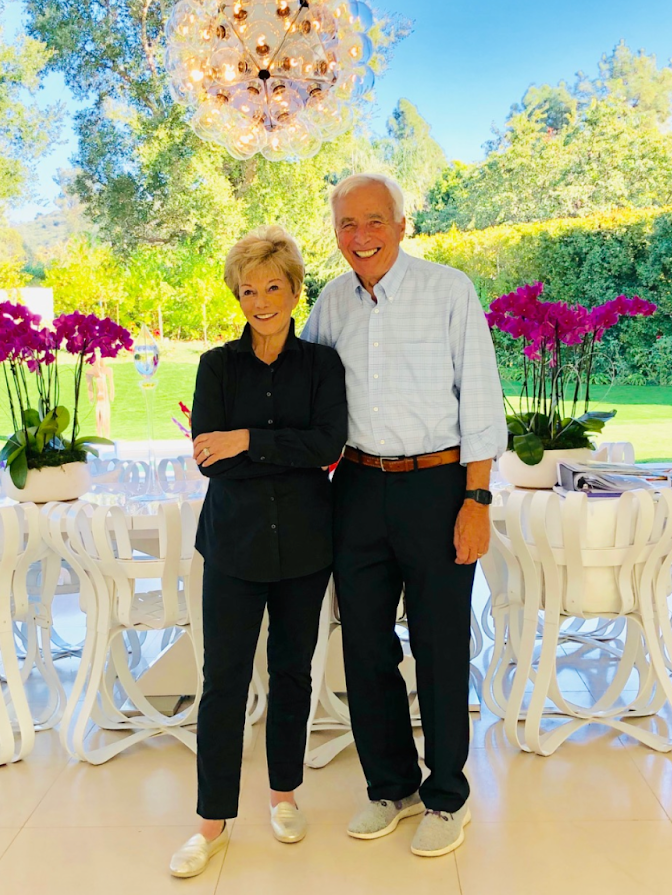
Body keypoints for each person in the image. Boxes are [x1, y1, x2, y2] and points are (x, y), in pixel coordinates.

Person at [302, 173, 507, 858]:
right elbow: (306, 389)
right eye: (346, 225)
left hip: (438, 486)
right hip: (357, 488)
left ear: (400, 223)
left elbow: (480, 403)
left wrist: (476, 500)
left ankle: (447, 795)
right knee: (364, 644)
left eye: (373, 221)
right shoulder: (331, 301)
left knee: (441, 645)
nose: (360, 237)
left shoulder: (449, 291)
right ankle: (390, 785)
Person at [170, 226, 347, 879]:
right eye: (249, 290)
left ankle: (284, 794)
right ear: (237, 295)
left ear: (295, 289)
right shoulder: (217, 365)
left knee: (293, 675)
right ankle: (211, 821)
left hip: (305, 545)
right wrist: (269, 446)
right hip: (235, 546)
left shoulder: (320, 366)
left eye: (274, 286)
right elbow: (208, 460)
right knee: (223, 682)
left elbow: (328, 445)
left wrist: (244, 437)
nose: (262, 301)